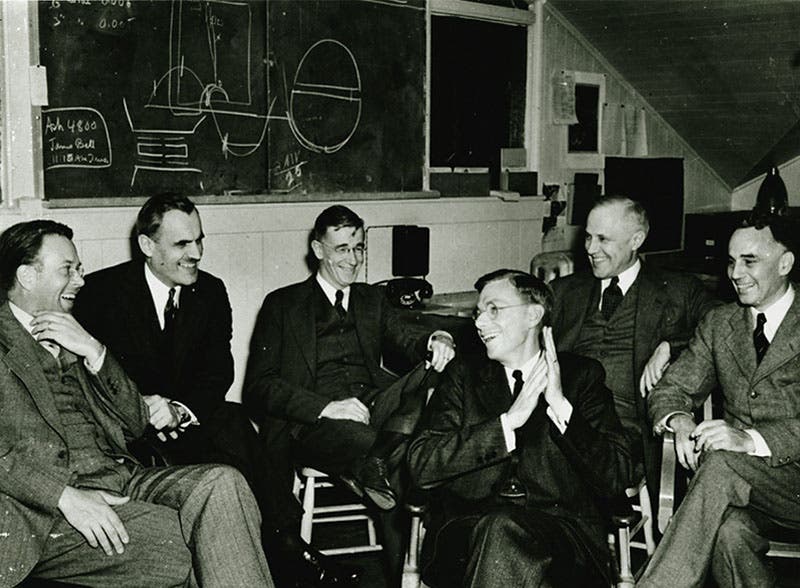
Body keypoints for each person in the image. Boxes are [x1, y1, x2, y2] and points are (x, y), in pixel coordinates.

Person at [74, 194, 354, 587]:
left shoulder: (210, 292)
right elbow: (83, 378)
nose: (197, 254)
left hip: (186, 419)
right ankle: (278, 556)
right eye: (182, 244)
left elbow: (216, 373)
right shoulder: (101, 293)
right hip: (127, 429)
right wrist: (141, 406)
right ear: (147, 246)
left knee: (236, 422)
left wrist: (179, 409)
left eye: (200, 241)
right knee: (228, 461)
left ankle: (284, 541)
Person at [0, 219, 273, 588]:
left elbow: (135, 423)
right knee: (194, 539)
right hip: (46, 511)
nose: (81, 280)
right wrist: (64, 496)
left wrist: (96, 353)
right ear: (27, 276)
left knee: (222, 483)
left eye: (79, 269)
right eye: (68, 270)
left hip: (120, 480)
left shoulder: (74, 331)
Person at [243, 204, 456, 583]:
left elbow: (408, 340)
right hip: (314, 424)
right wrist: (326, 407)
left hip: (375, 406)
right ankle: (406, 577)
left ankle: (372, 465)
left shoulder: (371, 300)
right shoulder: (283, 304)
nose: (354, 259)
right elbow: (258, 387)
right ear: (318, 249)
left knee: (431, 369)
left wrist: (436, 339)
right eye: (342, 248)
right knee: (403, 461)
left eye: (359, 248)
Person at [407, 269, 632, 587]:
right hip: (469, 536)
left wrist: (560, 405)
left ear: (533, 315)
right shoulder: (463, 375)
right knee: (500, 529)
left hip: (563, 541)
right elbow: (420, 464)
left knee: (505, 532)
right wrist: (507, 423)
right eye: (479, 312)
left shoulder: (581, 377)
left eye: (494, 309)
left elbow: (618, 474)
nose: (480, 323)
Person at [639, 213, 800, 587]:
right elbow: (670, 389)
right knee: (730, 534)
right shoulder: (720, 324)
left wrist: (750, 440)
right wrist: (680, 419)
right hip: (742, 490)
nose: (735, 273)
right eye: (731, 261)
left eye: (750, 261)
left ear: (786, 263)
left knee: (724, 463)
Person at [550, 195, 716, 498]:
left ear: (636, 239)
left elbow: (726, 327)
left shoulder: (678, 290)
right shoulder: (564, 292)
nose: (589, 248)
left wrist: (671, 345)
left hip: (625, 433)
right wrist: (446, 339)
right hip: (561, 420)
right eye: (588, 237)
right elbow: (513, 321)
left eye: (603, 239)